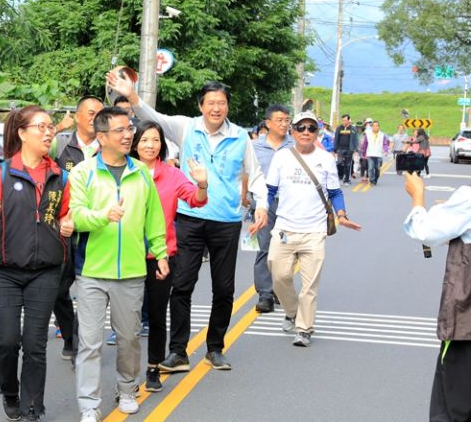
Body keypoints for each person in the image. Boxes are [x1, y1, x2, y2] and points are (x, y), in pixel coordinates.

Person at [107, 74, 267, 372]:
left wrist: (262, 205)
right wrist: (131, 95)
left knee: (224, 288)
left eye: (221, 103)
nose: (216, 108)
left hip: (226, 221)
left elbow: (254, 172)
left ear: (228, 107)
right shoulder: (186, 126)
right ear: (201, 105)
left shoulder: (240, 137)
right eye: (211, 103)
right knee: (181, 286)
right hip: (190, 218)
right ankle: (178, 351)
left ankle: (215, 348)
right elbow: (152, 118)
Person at [0, 105, 73, 422]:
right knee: (6, 341)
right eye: (41, 126)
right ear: (22, 132)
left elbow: (66, 215)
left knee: (35, 343)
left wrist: (69, 222)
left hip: (46, 270)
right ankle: (9, 392)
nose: (48, 132)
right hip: (5, 271)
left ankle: (32, 407)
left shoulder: (60, 176)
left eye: (50, 126)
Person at [68, 107, 170, 422]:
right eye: (120, 130)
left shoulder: (141, 172)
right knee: (90, 342)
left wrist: (161, 252)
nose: (128, 135)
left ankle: (126, 390)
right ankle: (89, 405)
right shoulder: (83, 172)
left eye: (129, 129)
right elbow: (76, 216)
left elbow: (154, 216)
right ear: (101, 137)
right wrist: (104, 216)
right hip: (92, 272)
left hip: (131, 271)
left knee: (128, 338)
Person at [265, 111, 361, 347]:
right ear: (293, 131)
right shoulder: (282, 157)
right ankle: (291, 311)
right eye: (301, 128)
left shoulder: (326, 158)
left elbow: (335, 192)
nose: (306, 132)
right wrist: (262, 215)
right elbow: (270, 192)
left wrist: (342, 214)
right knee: (279, 275)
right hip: (285, 228)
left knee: (310, 285)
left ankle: (304, 329)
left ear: (317, 132)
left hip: (315, 232)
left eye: (311, 128)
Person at [129, 120, 208, 392]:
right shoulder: (125, 172)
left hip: (162, 257)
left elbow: (196, 200)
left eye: (155, 140)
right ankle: (127, 376)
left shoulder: (171, 175)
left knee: (157, 314)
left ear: (162, 144)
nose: (150, 145)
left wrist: (202, 184)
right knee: (128, 320)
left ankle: (153, 369)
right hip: (126, 256)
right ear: (134, 144)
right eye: (144, 140)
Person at [403, 173, 471, 421]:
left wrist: (417, 196)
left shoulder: (467, 200)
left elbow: (426, 231)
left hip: (465, 328)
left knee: (453, 410)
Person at [50, 95, 104, 362]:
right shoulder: (60, 145)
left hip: (95, 230)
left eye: (100, 114)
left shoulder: (109, 149)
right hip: (62, 230)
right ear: (79, 116)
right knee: (58, 289)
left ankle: (81, 344)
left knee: (89, 290)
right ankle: (70, 335)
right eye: (92, 113)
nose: (96, 119)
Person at [252, 105, 294, 313]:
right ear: (268, 123)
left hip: (290, 204)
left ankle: (280, 287)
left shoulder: (295, 146)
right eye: (279, 120)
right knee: (265, 246)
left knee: (287, 248)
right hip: (264, 203)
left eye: (287, 120)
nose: (284, 124)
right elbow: (246, 172)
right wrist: (245, 197)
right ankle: (265, 294)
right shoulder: (254, 147)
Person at [361, 120, 389, 186]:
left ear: (379, 127)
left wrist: (385, 150)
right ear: (372, 127)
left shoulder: (382, 135)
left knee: (377, 169)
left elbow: (385, 144)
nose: (375, 127)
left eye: (377, 126)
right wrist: (364, 153)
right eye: (374, 126)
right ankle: (372, 180)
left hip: (378, 154)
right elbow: (365, 144)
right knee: (370, 168)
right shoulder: (368, 134)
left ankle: (375, 179)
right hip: (370, 154)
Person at [333, 114, 359, 186]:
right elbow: (336, 138)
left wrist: (356, 149)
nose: (343, 122)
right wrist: (335, 148)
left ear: (348, 120)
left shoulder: (353, 129)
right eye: (343, 120)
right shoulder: (339, 128)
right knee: (339, 162)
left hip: (349, 149)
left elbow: (356, 139)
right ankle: (340, 176)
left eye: (345, 120)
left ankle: (346, 179)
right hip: (340, 149)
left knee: (348, 164)